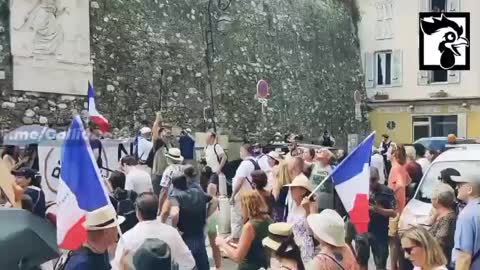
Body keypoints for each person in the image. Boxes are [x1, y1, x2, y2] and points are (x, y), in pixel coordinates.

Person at [111, 192, 196, 270]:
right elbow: (189, 263)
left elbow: (118, 266)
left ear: (138, 212)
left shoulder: (127, 237)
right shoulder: (172, 232)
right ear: (157, 209)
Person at [169, 175, 218, 270]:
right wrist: (207, 215)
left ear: (173, 185)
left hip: (185, 236)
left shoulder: (175, 195)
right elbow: (215, 201)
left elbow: (175, 214)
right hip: (199, 234)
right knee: (203, 264)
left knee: (187, 265)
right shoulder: (197, 192)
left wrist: (174, 228)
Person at [215, 190, 272, 270]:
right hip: (263, 265)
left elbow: (237, 257)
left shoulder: (249, 227)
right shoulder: (268, 219)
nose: (240, 210)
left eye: (241, 206)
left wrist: (222, 243)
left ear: (247, 207)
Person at [64, 205, 123, 270]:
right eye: (115, 226)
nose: (118, 230)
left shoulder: (101, 249)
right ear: (106, 232)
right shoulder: (82, 265)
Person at [388, 144, 412, 270]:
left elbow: (402, 184)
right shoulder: (401, 167)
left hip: (395, 209)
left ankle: (393, 267)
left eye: (388, 151)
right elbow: (408, 181)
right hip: (401, 208)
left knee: (393, 241)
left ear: (393, 154)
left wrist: (390, 192)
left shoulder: (395, 168)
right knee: (397, 240)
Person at [230, 143, 260, 242]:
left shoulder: (245, 164)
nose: (240, 153)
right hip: (253, 195)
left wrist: (233, 195)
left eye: (241, 151)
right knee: (250, 219)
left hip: (242, 196)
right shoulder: (256, 162)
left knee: (237, 219)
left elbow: (239, 181)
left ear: (245, 151)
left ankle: (236, 241)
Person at [450, 173, 480, 270]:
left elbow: (464, 256)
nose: (456, 188)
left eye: (460, 185)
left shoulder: (467, 215)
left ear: (469, 189)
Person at [368, 167, 397, 270]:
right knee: (361, 262)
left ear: (378, 178)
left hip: (380, 232)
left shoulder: (387, 192)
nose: (371, 183)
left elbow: (394, 213)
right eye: (368, 180)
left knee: (380, 264)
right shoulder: (360, 189)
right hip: (363, 230)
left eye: (373, 179)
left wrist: (377, 209)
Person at [285, 174, 317, 265]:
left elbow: (313, 231)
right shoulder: (294, 205)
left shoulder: (312, 205)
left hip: (304, 249)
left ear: (303, 191)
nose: (290, 190)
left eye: (293, 188)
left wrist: (307, 210)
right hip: (291, 246)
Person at [429, 183, 456, 266]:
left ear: (437, 200)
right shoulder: (442, 215)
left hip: (441, 262)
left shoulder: (447, 219)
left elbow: (439, 241)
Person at [150, 122, 175, 196]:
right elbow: (154, 133)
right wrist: (158, 119)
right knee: (158, 196)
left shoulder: (171, 144)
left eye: (169, 131)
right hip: (158, 175)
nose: (168, 133)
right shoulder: (158, 143)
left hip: (169, 174)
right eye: (165, 131)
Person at [158, 148, 185, 216]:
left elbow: (164, 191)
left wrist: (159, 208)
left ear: (169, 159)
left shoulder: (169, 170)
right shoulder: (184, 169)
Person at [204, 132, 228, 196]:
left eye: (207, 137)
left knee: (211, 187)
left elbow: (224, 157)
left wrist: (219, 169)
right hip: (208, 172)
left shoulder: (217, 146)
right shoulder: (206, 147)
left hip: (215, 171)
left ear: (212, 138)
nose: (205, 139)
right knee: (209, 188)